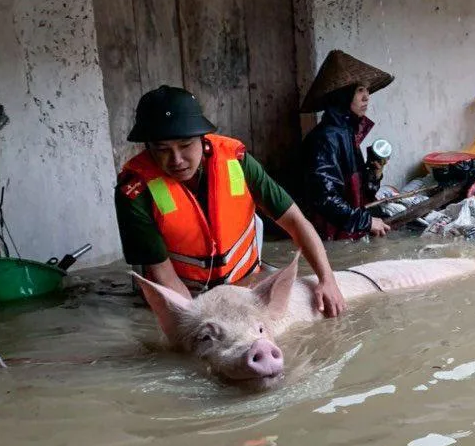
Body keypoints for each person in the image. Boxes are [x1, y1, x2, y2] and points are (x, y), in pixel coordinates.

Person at [114, 85, 345, 317]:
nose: (176, 160)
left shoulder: (237, 161)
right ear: (148, 147)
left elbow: (295, 221)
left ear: (203, 139)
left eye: (185, 146)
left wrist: (327, 279)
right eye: (162, 149)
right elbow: (163, 273)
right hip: (182, 295)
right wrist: (199, 322)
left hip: (245, 284)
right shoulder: (134, 190)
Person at [299, 50, 394, 240]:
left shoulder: (347, 132)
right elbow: (325, 198)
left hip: (347, 233)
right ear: (343, 95)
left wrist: (373, 177)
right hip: (328, 237)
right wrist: (366, 222)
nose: (367, 96)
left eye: (367, 90)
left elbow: (355, 194)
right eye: (360, 90)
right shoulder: (326, 138)